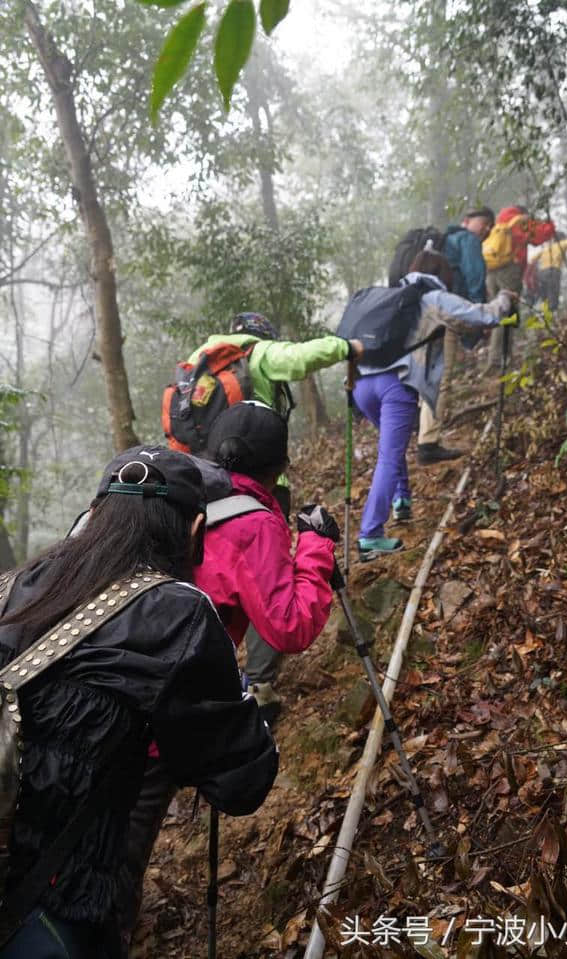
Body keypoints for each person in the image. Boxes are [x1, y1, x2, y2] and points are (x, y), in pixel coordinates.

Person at [0, 447, 277, 958]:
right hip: (58, 901)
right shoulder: (179, 613)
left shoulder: (15, 586)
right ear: (194, 529)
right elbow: (242, 783)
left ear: (94, 512)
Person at [119, 402, 339, 948]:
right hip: (154, 715)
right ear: (280, 466)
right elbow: (289, 625)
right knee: (117, 850)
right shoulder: (254, 522)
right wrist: (316, 547)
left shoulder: (176, 493)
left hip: (98, 678)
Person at [187, 314, 362, 720]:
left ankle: (236, 677)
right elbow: (302, 358)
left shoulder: (202, 359)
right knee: (263, 576)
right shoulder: (258, 352)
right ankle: (259, 683)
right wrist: (346, 347)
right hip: (253, 492)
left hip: (203, 482)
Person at [354, 251, 513, 559]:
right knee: (389, 455)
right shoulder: (432, 297)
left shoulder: (390, 297)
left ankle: (402, 501)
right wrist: (504, 299)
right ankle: (370, 534)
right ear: (441, 272)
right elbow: (482, 315)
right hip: (394, 385)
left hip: (363, 385)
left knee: (391, 449)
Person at [416, 206, 495, 466]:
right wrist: (478, 315)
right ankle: (428, 443)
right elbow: (475, 276)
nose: (486, 231)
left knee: (425, 374)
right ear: (467, 222)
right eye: (484, 224)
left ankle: (423, 434)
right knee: (441, 377)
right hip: (446, 314)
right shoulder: (468, 241)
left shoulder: (440, 243)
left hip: (421, 314)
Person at [484, 205, 555, 370]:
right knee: (508, 312)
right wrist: (550, 223)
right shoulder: (519, 220)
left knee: (497, 312)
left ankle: (499, 355)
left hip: (491, 274)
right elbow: (540, 235)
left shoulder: (500, 223)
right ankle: (500, 359)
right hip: (509, 272)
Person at [529, 231, 567, 311]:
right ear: (562, 238)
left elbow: (532, 259)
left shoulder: (547, 248)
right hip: (553, 271)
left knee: (545, 296)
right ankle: (553, 314)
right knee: (553, 294)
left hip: (542, 273)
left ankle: (545, 315)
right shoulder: (562, 243)